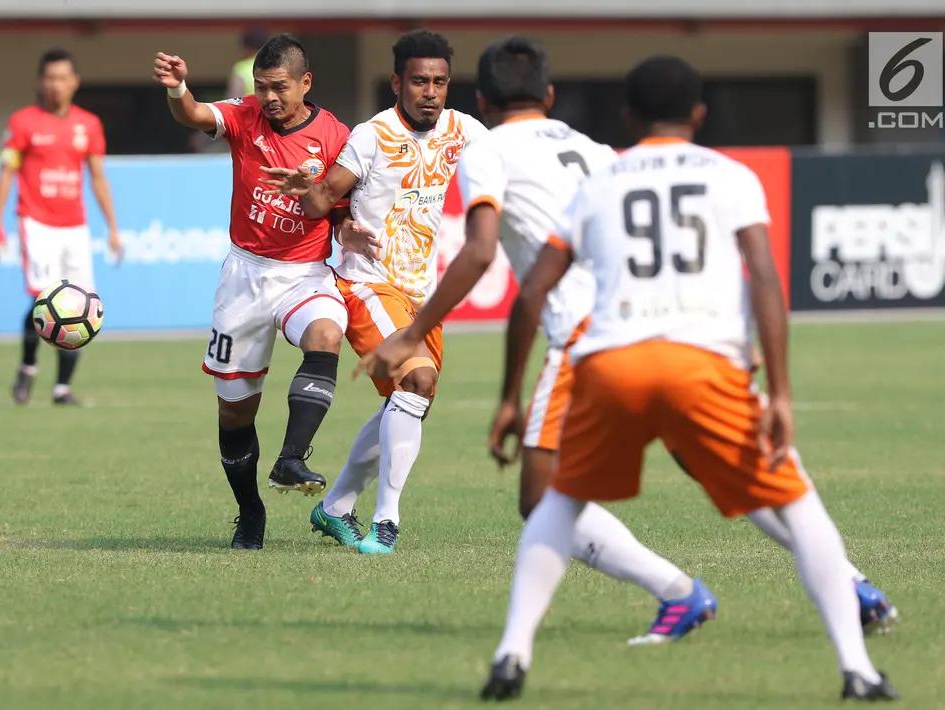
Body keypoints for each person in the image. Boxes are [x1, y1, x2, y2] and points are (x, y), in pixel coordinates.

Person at [361, 37, 899, 646]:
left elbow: (482, 252)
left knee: (540, 497)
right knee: (728, 471)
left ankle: (675, 592)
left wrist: (410, 331)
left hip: (591, 339)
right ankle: (851, 585)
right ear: (552, 95)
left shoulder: (485, 148)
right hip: (671, 327)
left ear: (479, 98)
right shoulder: (594, 149)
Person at [261, 29, 489, 555]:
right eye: (418, 81)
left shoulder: (464, 131)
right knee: (419, 381)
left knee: (410, 402)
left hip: (418, 293)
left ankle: (336, 505)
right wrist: (316, 196)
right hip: (366, 283)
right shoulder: (371, 135)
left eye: (439, 82)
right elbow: (323, 200)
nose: (430, 92)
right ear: (396, 83)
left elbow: (508, 161)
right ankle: (387, 519)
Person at [154, 34, 356, 550]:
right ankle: (250, 511)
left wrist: (346, 226)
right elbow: (195, 115)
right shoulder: (245, 116)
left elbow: (340, 206)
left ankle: (291, 458)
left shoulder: (335, 136)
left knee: (327, 334)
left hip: (305, 272)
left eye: (279, 88)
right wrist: (178, 89)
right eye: (262, 87)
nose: (268, 97)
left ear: (304, 84)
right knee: (234, 411)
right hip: (244, 277)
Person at [0, 48, 123, 407]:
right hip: (36, 222)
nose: (56, 85)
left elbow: (97, 177)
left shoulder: (89, 124)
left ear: (74, 82)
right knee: (44, 300)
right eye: (49, 78)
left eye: (63, 78)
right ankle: (29, 367)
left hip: (74, 227)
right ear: (39, 82)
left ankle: (62, 388)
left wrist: (112, 227)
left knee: (83, 305)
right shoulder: (22, 122)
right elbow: (6, 172)